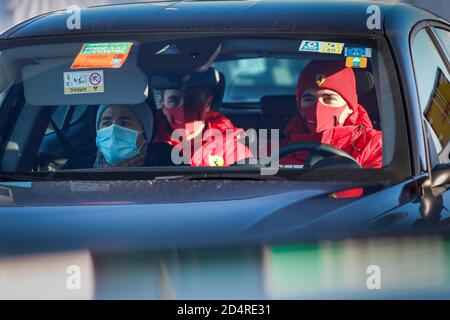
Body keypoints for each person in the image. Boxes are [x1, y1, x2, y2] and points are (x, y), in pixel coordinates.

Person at [281, 60, 383, 168]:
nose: (317, 107)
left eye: (329, 98)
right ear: (300, 107)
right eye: (309, 98)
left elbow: (380, 182)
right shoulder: (275, 149)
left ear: (350, 107)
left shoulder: (374, 146)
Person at [155, 86, 253, 167]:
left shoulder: (230, 148)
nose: (183, 108)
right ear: (163, 106)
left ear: (207, 103)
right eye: (173, 101)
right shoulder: (148, 148)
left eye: (192, 100)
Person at [94, 103, 173, 168]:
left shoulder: (168, 166)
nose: (113, 131)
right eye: (107, 123)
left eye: (125, 123)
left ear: (144, 134)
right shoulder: (83, 167)